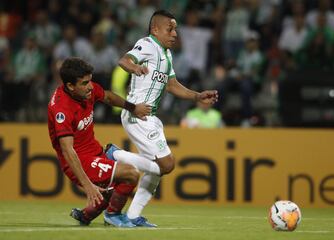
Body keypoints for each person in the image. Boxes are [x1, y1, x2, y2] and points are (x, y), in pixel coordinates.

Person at [108, 10, 218, 227]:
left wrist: (197, 96)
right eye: (170, 29)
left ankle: (132, 216)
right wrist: (135, 67)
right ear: (155, 29)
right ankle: (115, 153)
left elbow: (172, 85)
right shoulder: (147, 44)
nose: (175, 33)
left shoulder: (166, 54)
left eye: (175, 29)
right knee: (166, 164)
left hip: (150, 117)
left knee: (156, 167)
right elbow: (125, 60)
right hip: (137, 114)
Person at [47, 57, 157, 227]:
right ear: (70, 86)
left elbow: (107, 97)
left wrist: (133, 108)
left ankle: (85, 215)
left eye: (90, 81)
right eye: (85, 83)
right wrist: (87, 185)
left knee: (115, 187)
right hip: (79, 161)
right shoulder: (61, 108)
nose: (90, 86)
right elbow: (68, 151)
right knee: (131, 174)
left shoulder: (85, 91)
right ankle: (112, 215)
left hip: (96, 152)